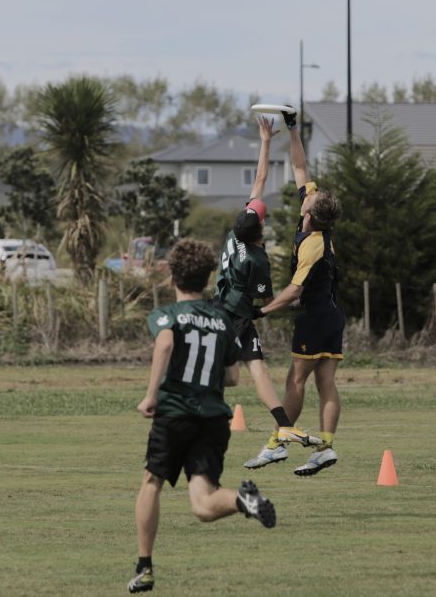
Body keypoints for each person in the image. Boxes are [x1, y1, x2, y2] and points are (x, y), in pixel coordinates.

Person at [129, 238, 276, 594]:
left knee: (152, 482)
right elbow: (232, 377)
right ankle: (245, 501)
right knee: (203, 504)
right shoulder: (223, 321)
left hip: (176, 414)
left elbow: (165, 343)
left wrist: (151, 396)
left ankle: (144, 567)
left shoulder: (167, 314)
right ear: (208, 279)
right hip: (213, 420)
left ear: (172, 278)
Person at [211, 114, 321, 470]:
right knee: (256, 368)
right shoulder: (257, 260)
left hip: (218, 310)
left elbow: (258, 180)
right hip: (238, 315)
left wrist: (265, 141)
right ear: (259, 227)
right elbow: (263, 301)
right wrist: (286, 304)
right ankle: (285, 427)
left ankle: (202, 387)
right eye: (264, 217)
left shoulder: (235, 234)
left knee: (231, 377)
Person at [252, 107, 344, 476]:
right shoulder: (314, 222)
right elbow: (301, 168)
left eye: (308, 196)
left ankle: (277, 443)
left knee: (295, 379)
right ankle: (325, 448)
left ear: (310, 210)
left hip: (316, 316)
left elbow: (293, 292)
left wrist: (261, 312)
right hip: (333, 316)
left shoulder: (312, 245)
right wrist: (292, 131)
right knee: (326, 381)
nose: (305, 192)